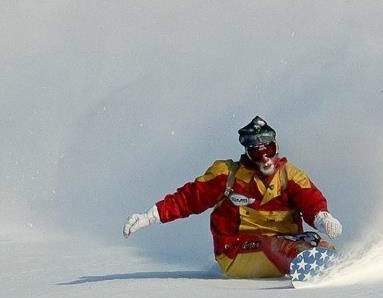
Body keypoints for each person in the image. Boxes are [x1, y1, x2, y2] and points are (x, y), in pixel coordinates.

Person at [123, 116, 343, 278]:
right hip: (236, 251)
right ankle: (304, 266)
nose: (265, 158)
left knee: (315, 242)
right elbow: (188, 198)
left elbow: (310, 199)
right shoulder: (227, 176)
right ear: (248, 153)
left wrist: (323, 218)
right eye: (257, 153)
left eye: (270, 149)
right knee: (274, 245)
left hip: (287, 242)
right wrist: (150, 216)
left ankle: (330, 265)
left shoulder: (289, 175)